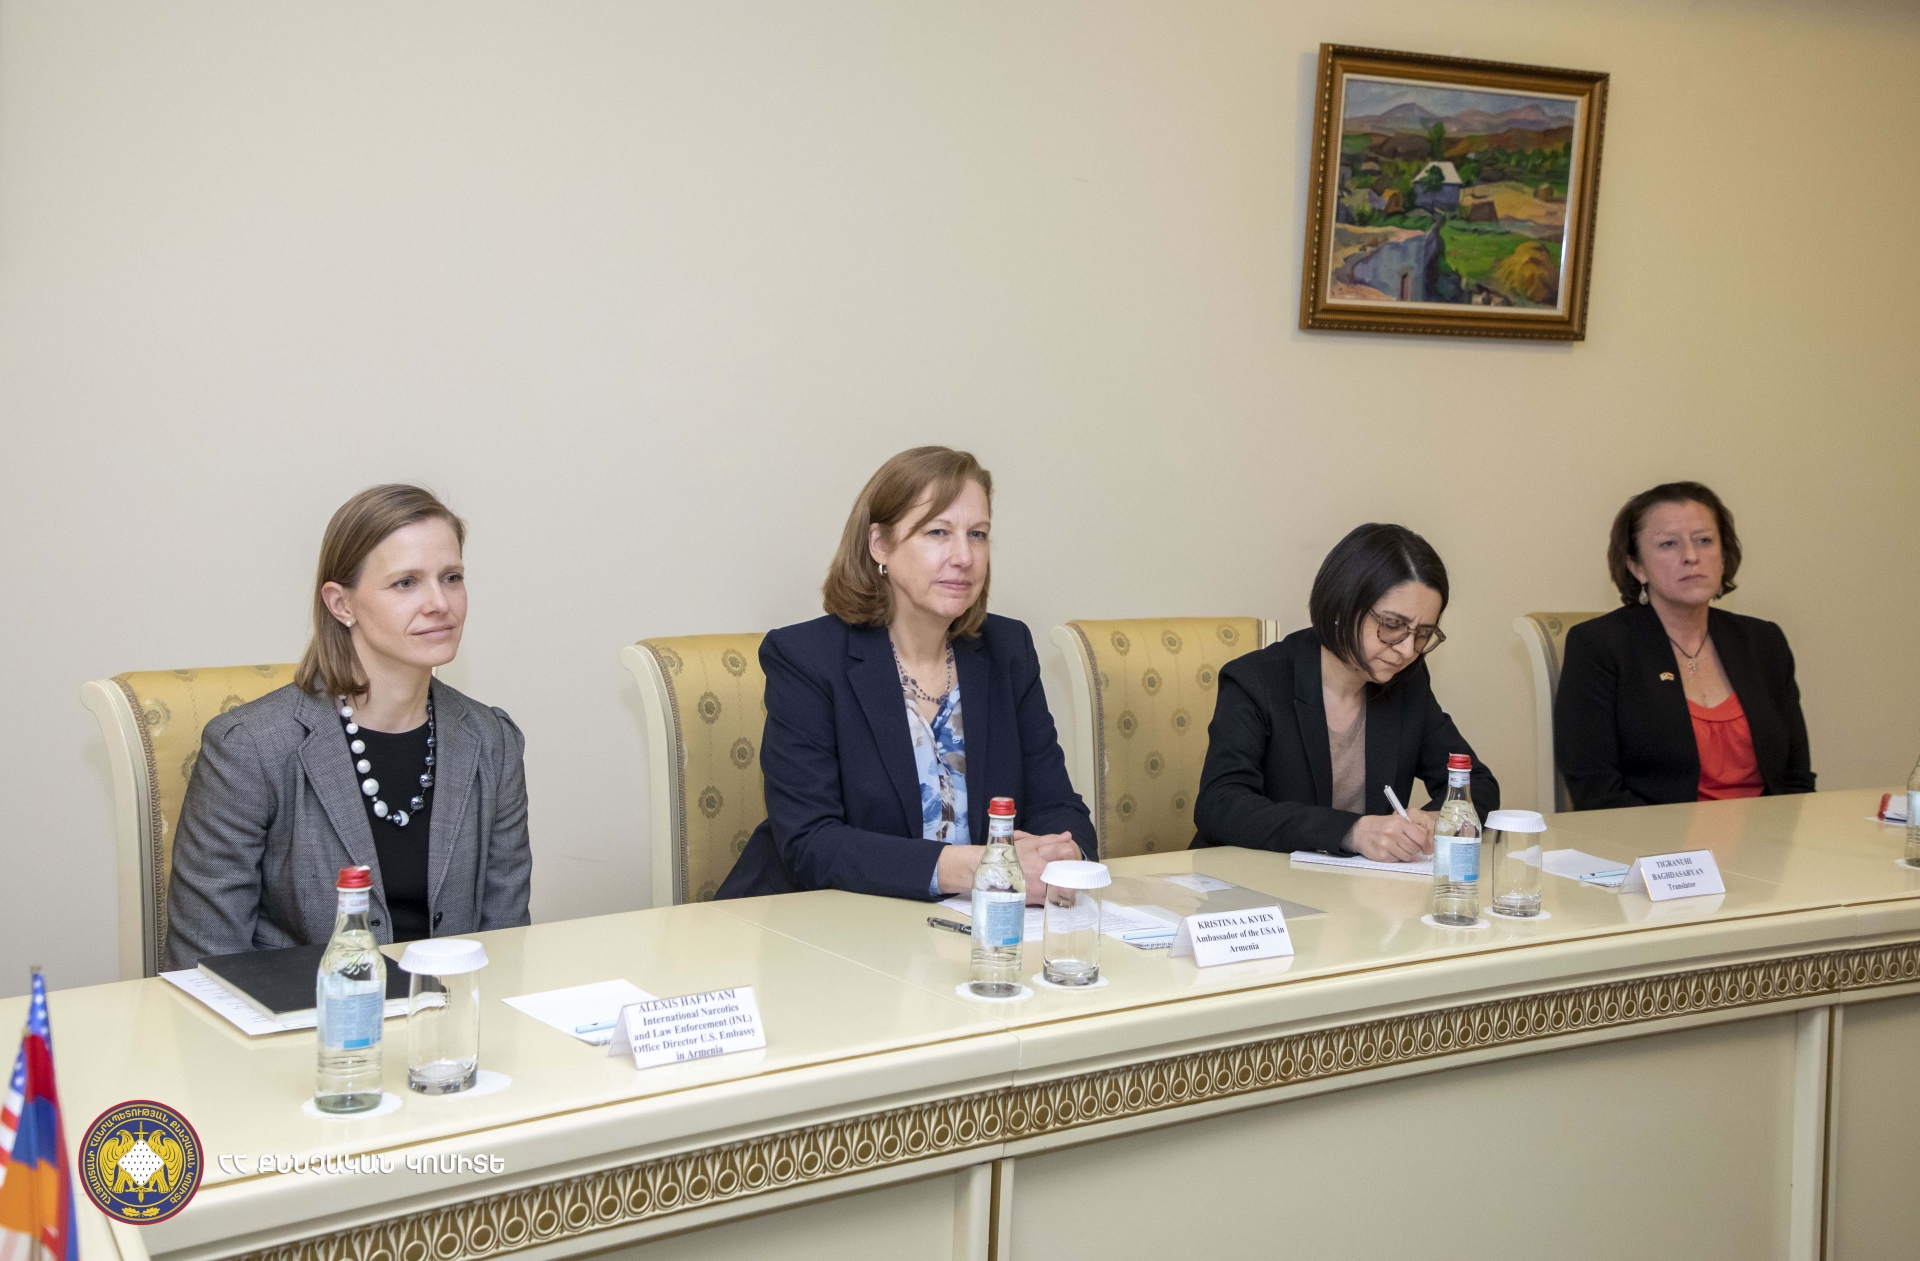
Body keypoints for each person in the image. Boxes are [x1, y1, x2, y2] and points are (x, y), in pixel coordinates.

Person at [163, 485, 532, 970]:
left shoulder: (492, 740)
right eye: (406, 583)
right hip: (301, 1014)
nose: (439, 603)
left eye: (452, 577)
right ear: (341, 604)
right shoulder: (248, 748)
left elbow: (505, 944)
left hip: (453, 1011)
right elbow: (204, 965)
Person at [718, 447, 1094, 902]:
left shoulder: (1007, 650)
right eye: (938, 532)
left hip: (967, 926)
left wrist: (1065, 856)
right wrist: (979, 869)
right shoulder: (806, 658)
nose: (964, 556)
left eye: (977, 534)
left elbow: (1059, 807)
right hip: (821, 921)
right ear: (880, 544)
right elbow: (811, 844)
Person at [1191, 523, 1498, 859]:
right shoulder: (1257, 680)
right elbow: (1220, 805)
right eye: (1392, 625)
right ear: (1342, 607)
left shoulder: (1406, 683)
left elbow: (1477, 782)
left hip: (1351, 886)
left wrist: (1437, 819)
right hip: (1251, 880)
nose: (1408, 649)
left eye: (1423, 633)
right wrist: (1350, 832)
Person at [1555, 482, 1813, 809]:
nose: (1691, 556)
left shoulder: (1763, 641)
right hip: (1653, 836)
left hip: (1768, 833)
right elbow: (1596, 790)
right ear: (1637, 567)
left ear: (1724, 555)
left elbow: (1796, 778)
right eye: (1668, 544)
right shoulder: (1599, 646)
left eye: (1704, 540)